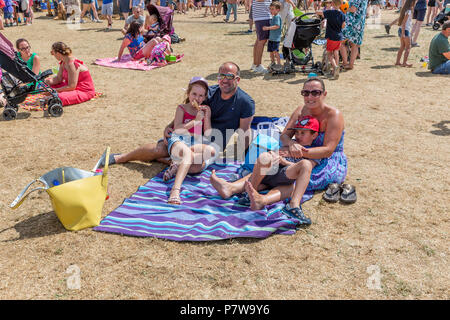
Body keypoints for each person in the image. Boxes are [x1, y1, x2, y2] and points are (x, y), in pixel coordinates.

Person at [210, 77, 347, 223]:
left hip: (324, 160)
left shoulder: (334, 115)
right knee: (269, 163)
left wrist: (298, 151)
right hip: (296, 152)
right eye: (305, 93)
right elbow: (285, 136)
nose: (310, 97)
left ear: (324, 94)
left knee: (291, 178)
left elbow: (328, 150)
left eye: (315, 93)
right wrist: (292, 144)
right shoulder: (301, 110)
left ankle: (252, 195)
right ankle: (232, 188)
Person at [101, 62, 255, 168]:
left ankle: (169, 161)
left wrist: (240, 158)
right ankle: (120, 157)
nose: (224, 80)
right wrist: (169, 126)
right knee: (159, 149)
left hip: (211, 144)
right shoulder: (209, 93)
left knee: (195, 166)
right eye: (221, 76)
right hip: (190, 136)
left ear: (237, 79)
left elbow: (244, 130)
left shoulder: (245, 102)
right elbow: (189, 109)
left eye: (229, 76)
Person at [163, 77, 217, 204]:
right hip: (178, 140)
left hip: (195, 142)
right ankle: (175, 191)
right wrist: (195, 121)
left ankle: (177, 165)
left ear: (204, 98)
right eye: (194, 94)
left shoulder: (204, 110)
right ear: (188, 93)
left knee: (210, 153)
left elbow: (208, 134)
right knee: (188, 155)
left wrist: (207, 117)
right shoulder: (182, 108)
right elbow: (177, 129)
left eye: (200, 96)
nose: (196, 98)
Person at [45, 42, 96, 106]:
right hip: (71, 87)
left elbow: (71, 86)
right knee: (46, 88)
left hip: (83, 91)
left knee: (56, 97)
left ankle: (49, 99)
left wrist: (54, 91)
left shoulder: (72, 64)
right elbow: (59, 78)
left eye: (52, 53)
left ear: (57, 53)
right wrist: (47, 82)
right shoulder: (63, 62)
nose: (53, 55)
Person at [317, 0, 346, 79]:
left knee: (329, 54)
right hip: (339, 37)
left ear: (332, 3)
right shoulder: (342, 14)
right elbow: (343, 25)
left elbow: (319, 12)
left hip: (331, 37)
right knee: (336, 52)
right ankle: (335, 70)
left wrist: (319, 10)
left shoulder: (329, 12)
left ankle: (335, 66)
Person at [339, 0, 368, 70]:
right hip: (359, 24)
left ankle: (345, 63)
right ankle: (350, 64)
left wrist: (342, 9)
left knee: (340, 42)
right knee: (355, 44)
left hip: (352, 23)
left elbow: (353, 9)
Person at [250, 0, 272, 73]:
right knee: (261, 42)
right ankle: (258, 65)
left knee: (259, 41)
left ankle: (255, 63)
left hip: (262, 17)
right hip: (262, 18)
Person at [263, 1, 283, 71]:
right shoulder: (274, 17)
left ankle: (279, 64)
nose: (271, 10)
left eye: (272, 9)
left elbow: (277, 26)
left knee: (275, 52)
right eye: (270, 9)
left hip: (275, 38)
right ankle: (272, 62)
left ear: (278, 10)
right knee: (271, 52)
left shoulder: (277, 17)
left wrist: (267, 28)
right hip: (271, 38)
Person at [395, 0, 415, 67]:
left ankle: (397, 62)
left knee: (402, 46)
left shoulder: (404, 9)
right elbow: (404, 23)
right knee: (408, 47)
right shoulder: (408, 11)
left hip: (401, 29)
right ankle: (404, 62)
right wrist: (403, 34)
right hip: (405, 30)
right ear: (412, 3)